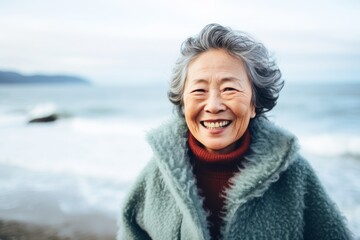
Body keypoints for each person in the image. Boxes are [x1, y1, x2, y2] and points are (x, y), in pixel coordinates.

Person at [117, 23, 352, 240]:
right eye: (199, 90)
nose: (213, 105)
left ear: (254, 103)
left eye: (229, 88)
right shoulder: (158, 175)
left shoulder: (293, 176)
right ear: (183, 103)